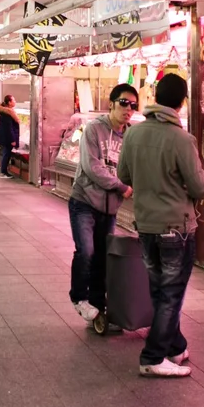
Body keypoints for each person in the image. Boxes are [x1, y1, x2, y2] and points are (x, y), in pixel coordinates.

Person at [117, 73, 204, 378]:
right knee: (171, 294)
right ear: (182, 102)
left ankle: (174, 346)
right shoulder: (182, 139)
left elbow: (124, 175)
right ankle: (153, 356)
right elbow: (198, 187)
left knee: (160, 289)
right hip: (176, 226)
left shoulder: (133, 134)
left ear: (155, 97)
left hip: (145, 224)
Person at [69, 84, 136, 327]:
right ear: (112, 103)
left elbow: (132, 170)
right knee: (86, 251)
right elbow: (92, 167)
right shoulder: (94, 129)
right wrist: (121, 187)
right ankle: (79, 297)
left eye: (133, 105)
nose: (128, 109)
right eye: (124, 103)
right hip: (84, 201)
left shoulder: (131, 135)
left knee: (102, 258)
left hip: (109, 208)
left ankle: (98, 304)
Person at [0, 95, 21, 179]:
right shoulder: (8, 113)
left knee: (5, 153)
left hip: (4, 136)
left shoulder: (4, 112)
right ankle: (4, 172)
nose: (15, 102)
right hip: (6, 137)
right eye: (14, 100)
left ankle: (4, 171)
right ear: (9, 103)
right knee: (6, 153)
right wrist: (12, 140)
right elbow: (9, 128)